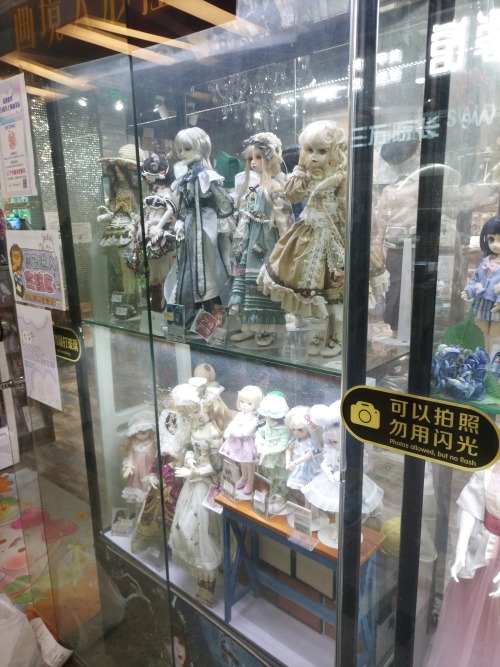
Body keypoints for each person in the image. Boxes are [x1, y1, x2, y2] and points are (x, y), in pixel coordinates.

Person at [257, 120, 347, 357]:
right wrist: (299, 169)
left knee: (334, 289)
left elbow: (345, 210)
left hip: (333, 236)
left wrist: (346, 239)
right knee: (313, 288)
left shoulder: (340, 176)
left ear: (335, 152)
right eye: (309, 150)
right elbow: (291, 196)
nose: (314, 156)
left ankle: (336, 335)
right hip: (308, 233)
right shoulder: (306, 173)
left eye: (321, 151)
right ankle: (320, 331)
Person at [426, 461, 500, 667]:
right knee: (470, 619)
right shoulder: (491, 467)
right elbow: (471, 503)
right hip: (480, 555)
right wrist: (461, 549)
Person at [164, 127, 235, 326]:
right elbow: (181, 207)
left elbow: (225, 203)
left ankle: (212, 320)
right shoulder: (183, 178)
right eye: (180, 149)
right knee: (186, 270)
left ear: (201, 148)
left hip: (205, 231)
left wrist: (219, 224)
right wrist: (179, 222)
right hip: (189, 231)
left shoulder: (207, 176)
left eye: (187, 148)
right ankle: (189, 318)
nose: (182, 153)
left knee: (208, 271)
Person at [228, 132, 291, 347]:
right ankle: (250, 324)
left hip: (268, 242)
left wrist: (286, 246)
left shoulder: (275, 187)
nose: (253, 162)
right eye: (250, 158)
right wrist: (239, 240)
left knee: (264, 281)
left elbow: (283, 219)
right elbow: (245, 217)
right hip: (251, 242)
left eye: (258, 157)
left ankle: (266, 327)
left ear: (269, 158)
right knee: (248, 282)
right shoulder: (254, 189)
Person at [168, 376, 227, 606]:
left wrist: (193, 471)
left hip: (206, 485)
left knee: (203, 531)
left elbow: (217, 465)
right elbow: (192, 449)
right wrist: (190, 460)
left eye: (193, 410)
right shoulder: (197, 427)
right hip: (193, 484)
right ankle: (203, 576)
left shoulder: (213, 433)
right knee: (186, 528)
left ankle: (207, 582)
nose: (191, 415)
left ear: (203, 408)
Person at [461, 216, 500, 352]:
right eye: (491, 239)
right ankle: (481, 359)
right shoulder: (485, 261)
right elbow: (476, 279)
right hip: (482, 303)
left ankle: (493, 361)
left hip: (497, 305)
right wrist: (469, 290)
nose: (495, 244)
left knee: (495, 336)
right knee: (480, 334)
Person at [219, 385, 263, 495]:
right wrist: (228, 430)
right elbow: (233, 423)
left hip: (248, 442)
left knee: (249, 464)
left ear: (256, 405)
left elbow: (249, 430)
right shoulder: (240, 414)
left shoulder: (254, 418)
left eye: (249, 404)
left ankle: (250, 482)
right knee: (242, 461)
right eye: (242, 402)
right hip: (238, 442)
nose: (244, 405)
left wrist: (239, 433)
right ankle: (244, 477)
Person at [255, 391, 290, 512]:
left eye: (271, 418)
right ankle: (272, 493)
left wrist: (268, 450)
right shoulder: (267, 425)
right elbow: (260, 432)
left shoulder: (285, 430)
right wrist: (260, 443)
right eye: (268, 418)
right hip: (268, 458)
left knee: (281, 477)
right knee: (269, 475)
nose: (268, 420)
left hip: (279, 459)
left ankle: (281, 496)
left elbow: (283, 445)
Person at [285, 405, 322, 505]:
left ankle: (308, 507)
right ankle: (301, 503)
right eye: (293, 429)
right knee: (300, 487)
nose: (295, 432)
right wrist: (288, 461)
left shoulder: (310, 442)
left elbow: (308, 455)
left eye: (300, 430)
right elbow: (288, 449)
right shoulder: (294, 439)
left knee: (307, 488)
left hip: (306, 467)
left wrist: (294, 463)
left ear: (308, 429)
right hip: (296, 465)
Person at [120, 410, 157, 507]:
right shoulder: (133, 443)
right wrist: (128, 467)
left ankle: (145, 513)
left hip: (148, 473)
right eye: (136, 433)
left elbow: (156, 458)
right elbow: (130, 457)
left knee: (148, 498)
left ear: (150, 431)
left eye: (143, 433)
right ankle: (138, 514)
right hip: (136, 475)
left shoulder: (153, 444)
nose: (139, 436)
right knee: (137, 501)